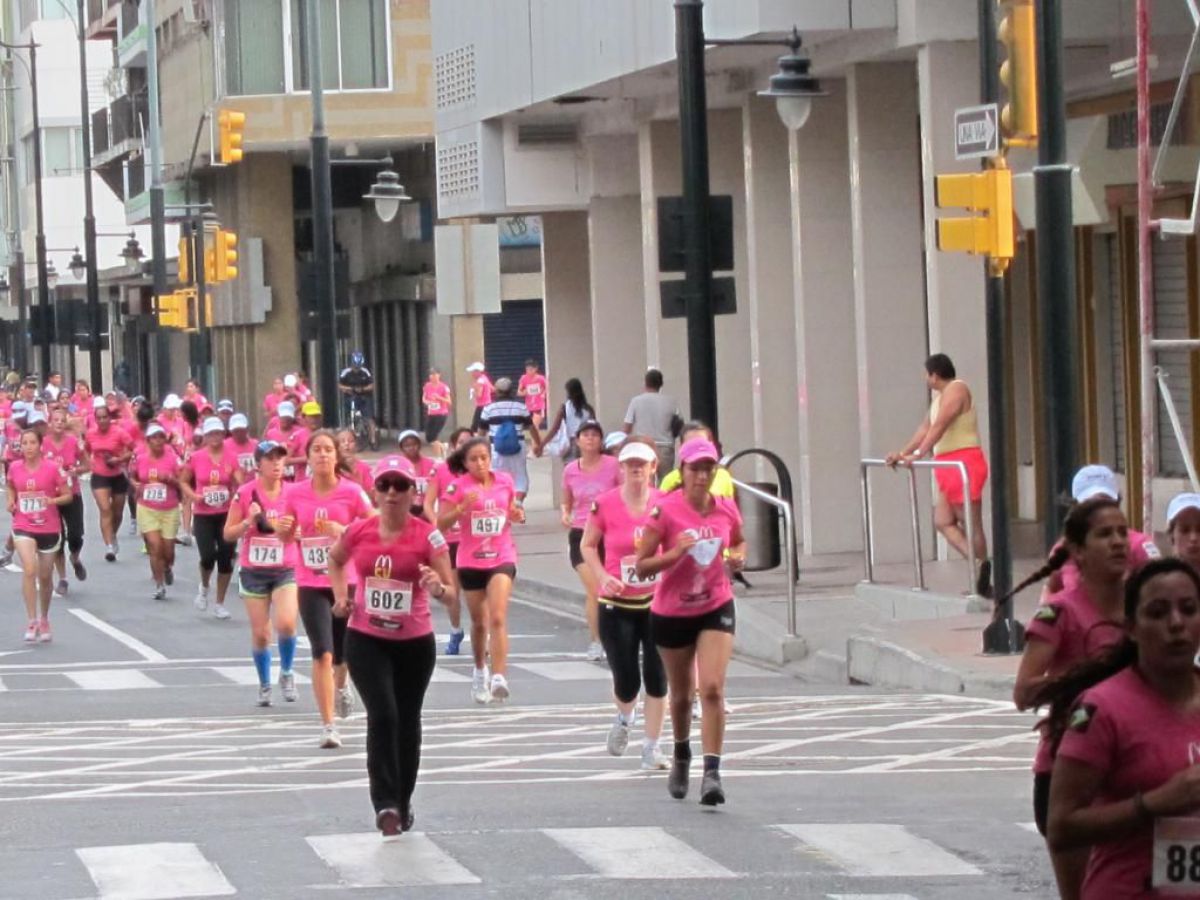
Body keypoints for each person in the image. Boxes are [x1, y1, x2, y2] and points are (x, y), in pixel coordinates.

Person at [1038, 558, 1200, 899]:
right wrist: (1152, 804)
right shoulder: (1101, 708)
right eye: (1157, 613)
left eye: (1189, 610)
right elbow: (1061, 827)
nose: (1176, 624)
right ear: (1131, 628)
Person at [330, 454, 456, 838]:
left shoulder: (428, 536)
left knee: (407, 720)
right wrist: (341, 597)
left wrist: (437, 588)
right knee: (383, 714)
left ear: (412, 491)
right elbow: (335, 560)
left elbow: (451, 593)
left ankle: (402, 800)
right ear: (375, 491)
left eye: (400, 485)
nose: (391, 493)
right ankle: (384, 803)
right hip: (366, 637)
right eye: (384, 485)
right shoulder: (359, 531)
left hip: (414, 641)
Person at [1011, 497, 1130, 899]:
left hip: (1134, 766)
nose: (1118, 541)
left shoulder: (1146, 609)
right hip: (1068, 771)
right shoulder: (1060, 612)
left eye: (1122, 532)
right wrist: (1087, 676)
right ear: (1078, 551)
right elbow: (1024, 692)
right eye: (1104, 534)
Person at [635, 437, 746, 806]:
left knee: (711, 687)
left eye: (707, 469)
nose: (701, 476)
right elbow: (642, 565)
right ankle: (682, 753)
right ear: (682, 471)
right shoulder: (665, 511)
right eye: (695, 469)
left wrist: (737, 557)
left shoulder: (725, 507)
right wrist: (675, 553)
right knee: (681, 696)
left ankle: (712, 773)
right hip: (672, 611)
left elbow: (739, 541)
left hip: (716, 603)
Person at [581, 437, 670, 770]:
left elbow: (677, 543)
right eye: (630, 464)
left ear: (653, 468)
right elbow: (588, 545)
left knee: (657, 676)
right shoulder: (604, 504)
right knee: (627, 678)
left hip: (658, 602)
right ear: (621, 469)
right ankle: (624, 717)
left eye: (641, 465)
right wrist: (602, 576)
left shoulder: (665, 503)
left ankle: (652, 747)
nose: (636, 470)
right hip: (617, 603)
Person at [287, 430, 375, 748]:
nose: (322, 454)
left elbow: (373, 524)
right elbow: (284, 532)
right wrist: (289, 532)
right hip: (310, 582)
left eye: (328, 449)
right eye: (316, 450)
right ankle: (328, 725)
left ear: (336, 456)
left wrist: (346, 529)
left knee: (342, 652)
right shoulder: (295, 493)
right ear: (308, 457)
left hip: (345, 580)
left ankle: (341, 684)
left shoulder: (352, 492)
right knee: (322, 652)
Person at [886, 353, 992, 596]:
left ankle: (982, 574)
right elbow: (925, 428)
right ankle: (978, 564)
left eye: (927, 375)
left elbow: (941, 425)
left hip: (963, 461)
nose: (926, 379)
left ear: (935, 375)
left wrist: (919, 454)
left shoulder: (957, 389)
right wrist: (903, 453)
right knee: (942, 521)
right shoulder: (938, 399)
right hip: (947, 464)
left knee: (969, 520)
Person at [437, 437, 524, 703]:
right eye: (473, 459)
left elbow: (512, 510)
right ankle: (479, 671)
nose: (480, 463)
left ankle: (498, 677)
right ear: (465, 463)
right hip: (470, 560)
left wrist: (517, 515)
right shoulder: (457, 487)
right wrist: (461, 508)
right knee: (479, 622)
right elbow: (441, 524)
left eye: (484, 458)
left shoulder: (504, 481)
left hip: (502, 556)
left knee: (497, 617)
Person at [223, 440, 300, 707]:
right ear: (258, 464)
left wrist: (296, 533)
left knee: (287, 623)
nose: (276, 463)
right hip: (254, 571)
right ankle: (265, 683)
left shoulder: (294, 492)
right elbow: (228, 533)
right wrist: (248, 521)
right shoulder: (245, 493)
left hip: (286, 567)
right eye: (270, 458)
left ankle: (287, 672)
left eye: (280, 458)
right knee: (261, 634)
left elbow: (304, 526)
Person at [1044, 465, 1160, 598]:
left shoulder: (1140, 545)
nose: (1100, 510)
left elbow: (1160, 588)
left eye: (1106, 502)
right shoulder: (1063, 549)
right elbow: (1050, 592)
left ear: (1117, 502)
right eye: (1091, 504)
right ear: (1076, 507)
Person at [560, 419, 621, 661]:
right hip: (581, 535)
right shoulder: (570, 470)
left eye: (595, 434)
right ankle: (597, 641)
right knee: (595, 589)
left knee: (613, 591)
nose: (590, 438)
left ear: (601, 440)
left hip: (611, 533)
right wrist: (565, 513)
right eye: (585, 434)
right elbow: (566, 500)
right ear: (577, 441)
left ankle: (616, 636)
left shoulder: (614, 466)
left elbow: (623, 494)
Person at [8, 429, 72, 642]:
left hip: (49, 527)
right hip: (23, 524)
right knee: (29, 569)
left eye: (32, 442)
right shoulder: (15, 467)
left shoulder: (52, 468)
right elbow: (11, 486)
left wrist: (52, 501)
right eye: (24, 443)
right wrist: (11, 500)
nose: (28, 447)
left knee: (45, 577)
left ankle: (44, 617)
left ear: (40, 445)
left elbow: (67, 495)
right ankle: (31, 620)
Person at [182, 417, 242, 619]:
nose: (215, 437)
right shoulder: (196, 457)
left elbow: (240, 482)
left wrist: (236, 489)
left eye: (218, 433)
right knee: (208, 556)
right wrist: (194, 496)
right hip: (203, 514)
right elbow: (183, 481)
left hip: (226, 514)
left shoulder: (231, 457)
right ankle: (204, 586)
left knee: (226, 557)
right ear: (205, 437)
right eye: (211, 434)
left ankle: (220, 603)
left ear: (223, 435)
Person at [427, 427, 472, 655]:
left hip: (473, 539)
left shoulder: (478, 470)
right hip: (450, 539)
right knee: (453, 588)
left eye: (469, 441)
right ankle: (455, 630)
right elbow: (428, 503)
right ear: (453, 446)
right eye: (461, 442)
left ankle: (480, 632)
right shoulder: (442, 470)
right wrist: (436, 524)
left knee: (476, 592)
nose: (465, 446)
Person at [130, 424, 184, 601]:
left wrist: (171, 480)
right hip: (147, 508)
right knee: (155, 546)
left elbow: (183, 481)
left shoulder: (173, 459)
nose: (158, 441)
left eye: (161, 437)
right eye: (154, 437)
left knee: (168, 551)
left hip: (169, 508)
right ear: (148, 441)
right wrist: (135, 484)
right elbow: (132, 475)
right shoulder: (140, 459)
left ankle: (167, 567)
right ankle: (159, 584)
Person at [43, 408, 87, 598]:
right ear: (50, 423)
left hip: (72, 493)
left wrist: (75, 471)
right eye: (56, 420)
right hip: (52, 497)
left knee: (76, 535)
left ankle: (75, 558)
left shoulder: (73, 442)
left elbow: (88, 464)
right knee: (57, 538)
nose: (59, 423)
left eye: (62, 420)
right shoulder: (43, 444)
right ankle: (63, 578)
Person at [479, 377, 544, 501]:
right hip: (518, 446)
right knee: (520, 475)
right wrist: (539, 444)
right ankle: (518, 502)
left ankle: (502, 502)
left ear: (496, 391)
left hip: (496, 448)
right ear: (512, 391)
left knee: (496, 476)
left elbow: (481, 432)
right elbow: (532, 428)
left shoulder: (488, 409)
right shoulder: (521, 407)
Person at [84, 402, 133, 562]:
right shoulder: (91, 434)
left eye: (105, 417)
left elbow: (132, 449)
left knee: (117, 511)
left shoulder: (119, 432)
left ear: (109, 418)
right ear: (95, 419)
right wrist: (90, 463)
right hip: (100, 475)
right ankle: (109, 546)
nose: (102, 421)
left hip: (117, 474)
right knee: (105, 509)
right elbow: (86, 450)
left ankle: (112, 534)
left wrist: (119, 459)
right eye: (99, 418)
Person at [621, 368, 682, 476]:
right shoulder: (671, 402)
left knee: (646, 479)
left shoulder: (636, 401)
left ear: (645, 383)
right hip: (666, 446)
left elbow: (627, 427)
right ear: (661, 384)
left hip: (644, 445)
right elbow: (680, 425)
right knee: (665, 480)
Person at [544, 378, 596, 463]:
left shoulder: (564, 408)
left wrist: (542, 444)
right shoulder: (588, 409)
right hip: (585, 444)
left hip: (570, 444)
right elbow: (594, 428)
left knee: (570, 469)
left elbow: (554, 429)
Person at [339, 351, 378, 450]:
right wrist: (350, 389)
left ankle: (373, 440)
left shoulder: (365, 372)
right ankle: (352, 436)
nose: (357, 368)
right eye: (355, 366)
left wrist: (363, 389)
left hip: (364, 397)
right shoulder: (346, 372)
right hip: (351, 397)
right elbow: (340, 385)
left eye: (359, 366)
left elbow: (371, 385)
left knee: (370, 418)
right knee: (350, 417)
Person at [397, 430, 440, 518]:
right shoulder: (398, 465)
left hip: (427, 508)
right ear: (401, 448)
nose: (411, 448)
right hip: (404, 510)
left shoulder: (431, 464)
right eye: (407, 446)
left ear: (419, 445)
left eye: (414, 444)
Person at [265, 401, 311, 482]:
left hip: (296, 474)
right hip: (278, 475)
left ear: (292, 418)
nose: (285, 420)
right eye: (283, 417)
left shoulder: (299, 432)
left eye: (288, 418)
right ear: (279, 417)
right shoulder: (271, 433)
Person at [421, 368, 452, 450]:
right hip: (431, 414)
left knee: (434, 436)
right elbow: (424, 398)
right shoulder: (427, 386)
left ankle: (438, 453)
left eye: (434, 374)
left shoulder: (444, 387)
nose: (432, 376)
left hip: (441, 414)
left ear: (439, 375)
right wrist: (427, 402)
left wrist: (439, 398)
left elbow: (449, 401)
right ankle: (443, 446)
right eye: (431, 374)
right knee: (428, 437)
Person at [1168, 492, 1200, 571]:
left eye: (1199, 530)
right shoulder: (1159, 576)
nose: (1193, 538)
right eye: (1185, 530)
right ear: (1172, 536)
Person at [336, 429, 375, 495]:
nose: (347, 444)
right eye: (342, 441)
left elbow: (371, 492)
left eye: (351, 441)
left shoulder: (364, 468)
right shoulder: (332, 468)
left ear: (356, 445)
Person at [517, 359, 548, 430]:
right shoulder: (523, 378)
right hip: (528, 406)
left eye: (531, 369)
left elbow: (547, 387)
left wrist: (543, 394)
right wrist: (524, 392)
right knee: (530, 427)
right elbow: (519, 392)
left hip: (539, 405)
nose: (529, 371)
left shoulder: (541, 378)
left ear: (536, 369)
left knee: (535, 426)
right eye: (527, 370)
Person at [466, 362, 492, 434]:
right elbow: (492, 389)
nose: (472, 374)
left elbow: (479, 395)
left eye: (473, 371)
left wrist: (473, 390)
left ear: (478, 371)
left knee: (475, 426)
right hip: (488, 404)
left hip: (482, 406)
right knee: (484, 425)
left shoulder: (480, 381)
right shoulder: (485, 378)